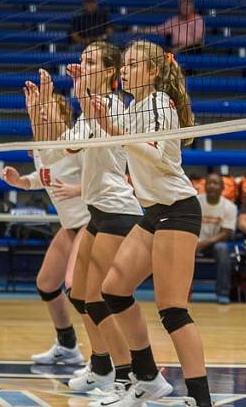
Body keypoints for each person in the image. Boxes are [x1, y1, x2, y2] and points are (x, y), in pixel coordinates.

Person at [91, 40, 211, 407]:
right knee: (113, 289)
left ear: (153, 72)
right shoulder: (134, 107)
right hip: (154, 212)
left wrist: (118, 132)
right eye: (123, 64)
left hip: (177, 209)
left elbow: (159, 156)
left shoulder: (159, 102)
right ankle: (148, 380)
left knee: (173, 309)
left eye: (132, 64)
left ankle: (200, 400)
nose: (124, 70)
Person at [46, 43, 140, 396]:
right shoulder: (88, 112)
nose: (81, 64)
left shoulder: (112, 108)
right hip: (99, 213)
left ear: (110, 71)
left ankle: (125, 375)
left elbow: (72, 146)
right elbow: (62, 146)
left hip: (118, 211)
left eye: (90, 61)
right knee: (81, 296)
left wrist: (81, 97)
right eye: (82, 59)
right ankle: (100, 366)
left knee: (101, 299)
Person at [2, 90, 88, 366]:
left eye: (47, 106)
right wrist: (21, 182)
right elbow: (44, 178)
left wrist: (79, 189)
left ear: (63, 115)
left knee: (82, 292)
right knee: (47, 284)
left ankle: (107, 357)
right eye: (38, 108)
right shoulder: (42, 147)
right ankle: (68, 346)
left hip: (92, 222)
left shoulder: (76, 143)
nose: (40, 111)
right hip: (70, 226)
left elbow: (109, 179)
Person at [195, 173, 237, 305]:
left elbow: (226, 233)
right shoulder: (195, 202)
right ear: (205, 186)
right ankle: (183, 293)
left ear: (222, 187)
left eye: (216, 183)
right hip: (194, 241)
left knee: (222, 249)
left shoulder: (230, 207)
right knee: (182, 247)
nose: (212, 186)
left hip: (214, 244)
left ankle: (223, 293)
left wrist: (204, 243)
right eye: (209, 183)